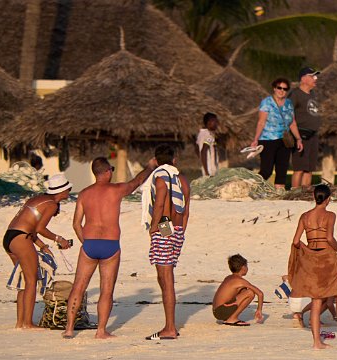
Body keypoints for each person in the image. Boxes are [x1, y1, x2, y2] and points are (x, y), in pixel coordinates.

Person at [62, 157, 156, 339]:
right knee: (106, 289)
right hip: (110, 245)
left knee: (78, 287)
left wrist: (86, 243)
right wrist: (150, 166)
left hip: (89, 244)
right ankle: (101, 331)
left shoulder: (84, 194)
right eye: (111, 169)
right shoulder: (116, 190)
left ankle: (69, 329)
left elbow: (76, 224)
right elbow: (137, 181)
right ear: (107, 172)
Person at [288, 184, 337, 349]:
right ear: (328, 199)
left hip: (312, 258)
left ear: (314, 197)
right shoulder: (330, 215)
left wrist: (307, 249)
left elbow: (296, 241)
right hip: (327, 257)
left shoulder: (305, 216)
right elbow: (329, 238)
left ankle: (316, 342)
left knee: (316, 299)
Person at [2, 173, 73, 329]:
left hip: (10, 238)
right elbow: (40, 228)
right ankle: (28, 323)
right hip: (21, 238)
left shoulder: (38, 198)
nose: (70, 191)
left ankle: (20, 322)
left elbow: (31, 227)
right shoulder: (52, 204)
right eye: (69, 188)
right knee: (31, 281)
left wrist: (43, 246)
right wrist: (59, 239)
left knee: (24, 282)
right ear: (62, 191)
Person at [143, 145, 191, 341]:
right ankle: (169, 324)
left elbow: (160, 205)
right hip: (178, 229)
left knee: (166, 277)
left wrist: (154, 228)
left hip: (164, 228)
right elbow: (186, 211)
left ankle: (170, 327)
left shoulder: (161, 178)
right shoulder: (183, 180)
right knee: (164, 276)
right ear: (174, 158)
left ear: (156, 160)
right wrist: (181, 232)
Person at [250, 77, 304, 190]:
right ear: (274, 88)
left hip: (284, 140)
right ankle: (252, 188)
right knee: (267, 169)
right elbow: (261, 122)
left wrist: (298, 139)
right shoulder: (266, 102)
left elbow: (292, 123)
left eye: (285, 89)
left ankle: (280, 191)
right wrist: (255, 139)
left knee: (282, 168)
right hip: (268, 140)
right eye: (279, 88)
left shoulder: (289, 103)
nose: (282, 91)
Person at [289, 67, 321, 189]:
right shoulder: (295, 94)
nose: (315, 79)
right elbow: (289, 117)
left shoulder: (313, 93)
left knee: (309, 169)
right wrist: (297, 137)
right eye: (312, 76)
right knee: (299, 168)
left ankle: (305, 193)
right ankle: (295, 193)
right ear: (303, 79)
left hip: (313, 134)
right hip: (301, 134)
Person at [212, 254, 264, 327]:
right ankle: (232, 319)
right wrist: (259, 310)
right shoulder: (240, 281)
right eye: (246, 266)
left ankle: (230, 317)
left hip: (216, 311)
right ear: (243, 267)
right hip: (221, 311)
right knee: (250, 292)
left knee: (244, 290)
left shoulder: (228, 278)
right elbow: (260, 293)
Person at [196, 112, 220, 177]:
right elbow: (203, 151)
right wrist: (207, 172)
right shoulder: (208, 135)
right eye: (215, 122)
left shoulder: (201, 134)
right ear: (209, 122)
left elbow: (197, 149)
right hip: (210, 171)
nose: (216, 124)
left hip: (207, 170)